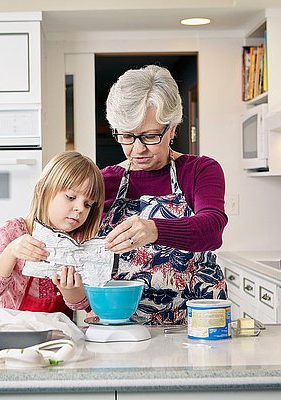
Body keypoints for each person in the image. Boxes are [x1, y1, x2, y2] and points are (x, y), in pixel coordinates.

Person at [99, 65, 228, 325]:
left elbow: (212, 229)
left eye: (150, 136)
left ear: (172, 128)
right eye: (126, 136)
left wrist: (155, 229)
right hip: (125, 324)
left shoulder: (199, 171)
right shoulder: (104, 181)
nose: (137, 149)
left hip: (198, 320)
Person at [0, 151, 104, 319]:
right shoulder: (13, 230)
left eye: (88, 204)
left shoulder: (79, 243)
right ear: (42, 190)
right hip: (12, 333)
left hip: (58, 338)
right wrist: (11, 251)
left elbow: (84, 306)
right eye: (71, 197)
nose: (80, 208)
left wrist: (71, 291)